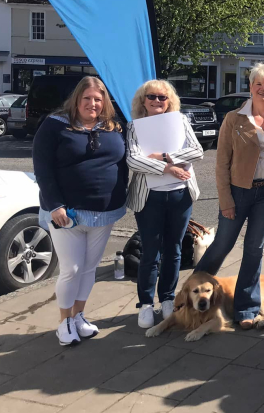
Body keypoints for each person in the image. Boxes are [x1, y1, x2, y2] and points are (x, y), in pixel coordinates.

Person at [32, 76, 128, 346]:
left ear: (104, 102)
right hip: (67, 213)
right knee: (71, 269)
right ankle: (64, 322)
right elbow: (42, 168)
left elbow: (124, 164)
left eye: (98, 99)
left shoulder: (113, 127)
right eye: (87, 98)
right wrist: (55, 204)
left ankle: (78, 317)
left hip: (105, 212)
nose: (93, 104)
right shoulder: (54, 125)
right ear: (76, 99)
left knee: (89, 268)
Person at [195, 63, 264, 328]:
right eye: (258, 84)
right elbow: (221, 163)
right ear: (250, 86)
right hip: (238, 192)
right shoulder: (234, 119)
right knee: (222, 245)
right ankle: (193, 291)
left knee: (254, 250)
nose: (263, 89)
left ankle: (246, 308)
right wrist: (226, 201)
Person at [126, 80, 203, 329]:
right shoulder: (134, 126)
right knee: (150, 252)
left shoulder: (180, 122)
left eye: (163, 97)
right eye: (152, 97)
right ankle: (146, 303)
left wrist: (164, 156)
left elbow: (197, 151)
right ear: (143, 100)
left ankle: (167, 298)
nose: (157, 101)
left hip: (180, 195)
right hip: (149, 198)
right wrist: (168, 168)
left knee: (174, 250)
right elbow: (133, 160)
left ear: (170, 101)